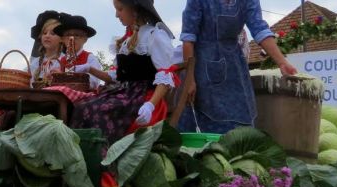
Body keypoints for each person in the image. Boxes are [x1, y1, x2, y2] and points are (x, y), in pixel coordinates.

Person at [178, 0, 298, 134]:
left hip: (234, 67)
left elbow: (259, 29)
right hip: (202, 68)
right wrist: (190, 78)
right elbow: (188, 39)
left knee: (242, 115)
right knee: (205, 119)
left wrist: (282, 62)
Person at [69, 0, 178, 144]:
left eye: (120, 9)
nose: (116, 15)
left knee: (96, 110)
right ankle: (87, 156)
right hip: (125, 94)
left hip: (144, 98)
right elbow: (113, 77)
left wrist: (150, 105)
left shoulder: (154, 36)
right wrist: (89, 68)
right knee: (81, 106)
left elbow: (165, 76)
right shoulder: (127, 41)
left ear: (135, 11)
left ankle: (104, 158)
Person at [53, 15, 103, 90]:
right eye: (68, 35)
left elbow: (94, 83)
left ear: (85, 39)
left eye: (77, 35)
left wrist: (65, 77)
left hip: (86, 99)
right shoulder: (59, 61)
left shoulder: (90, 58)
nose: (72, 38)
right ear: (62, 39)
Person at [29, 10, 68, 86]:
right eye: (44, 33)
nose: (47, 36)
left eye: (52, 33)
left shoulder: (66, 61)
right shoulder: (35, 63)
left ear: (61, 39)